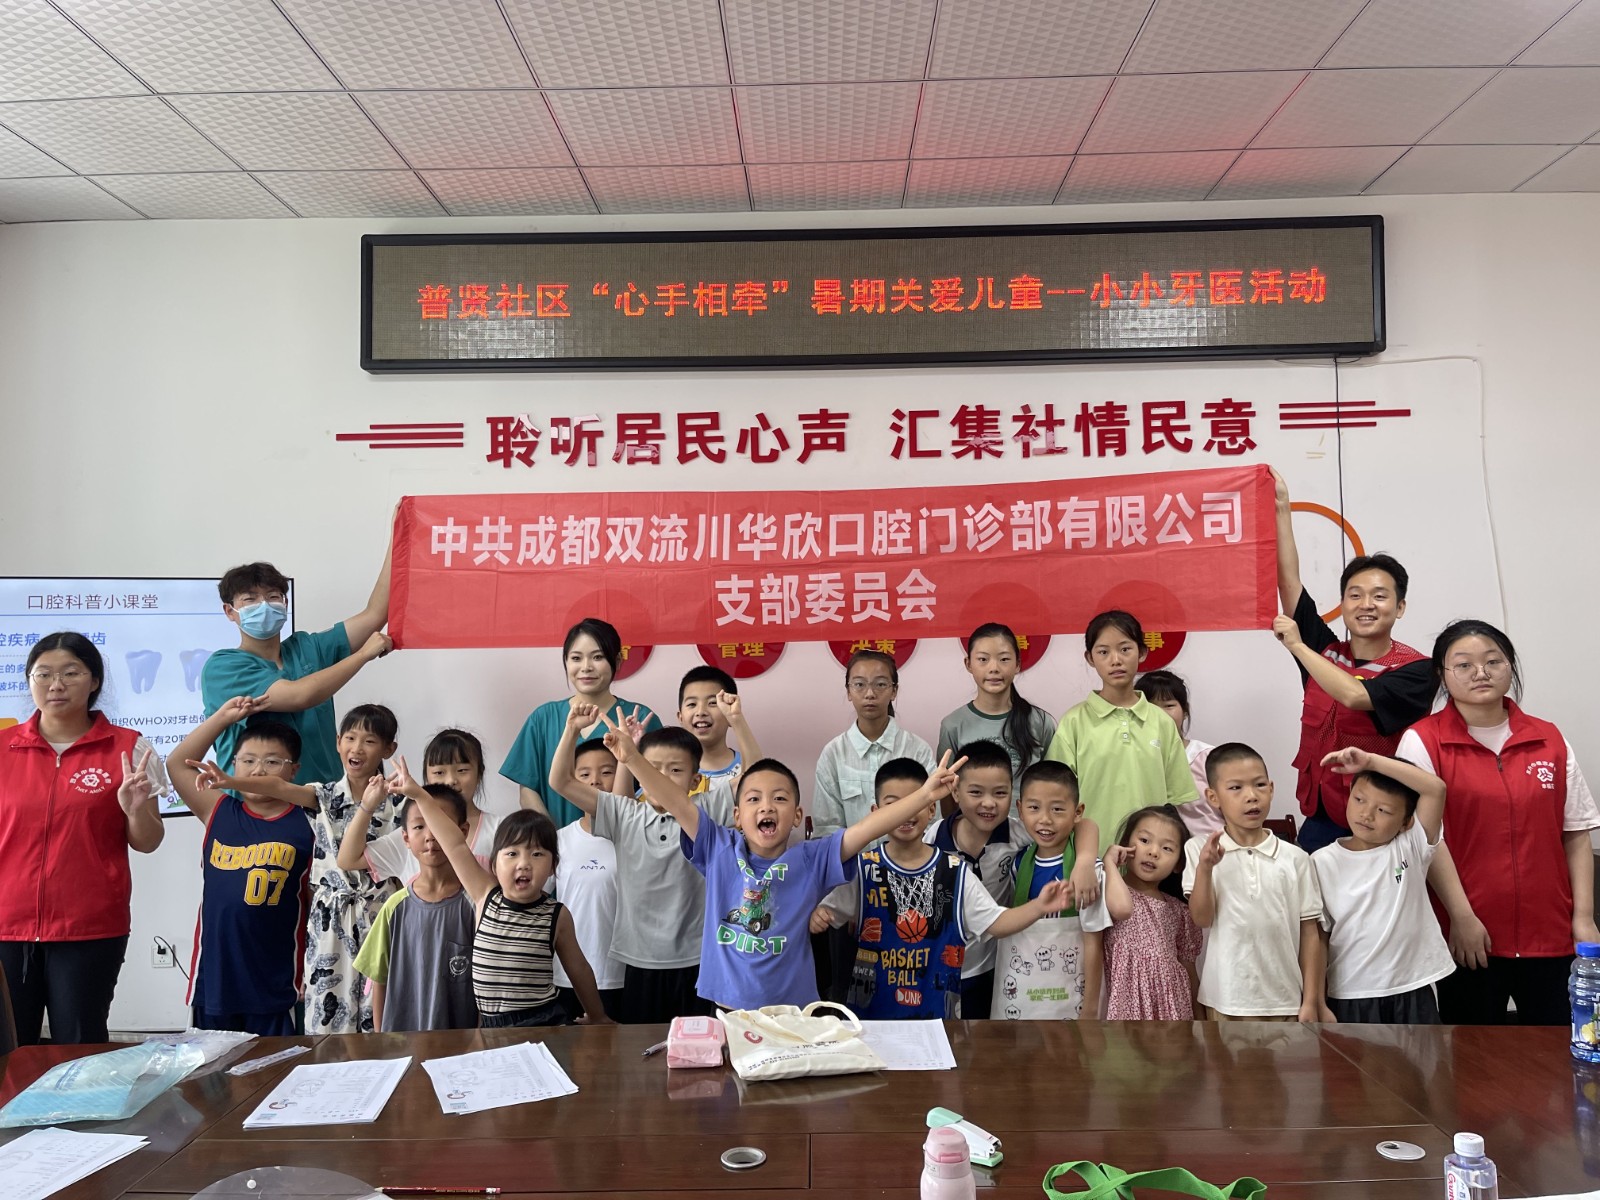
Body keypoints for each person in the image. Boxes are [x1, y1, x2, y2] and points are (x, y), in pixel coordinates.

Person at [608, 702, 972, 1011]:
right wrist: (632, 759)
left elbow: (868, 828)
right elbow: (675, 801)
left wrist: (925, 796)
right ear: (737, 816)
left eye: (779, 798)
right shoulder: (718, 847)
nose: (766, 806)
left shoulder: (812, 860)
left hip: (793, 1011)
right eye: (754, 799)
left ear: (797, 815)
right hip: (726, 1007)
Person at [1397, 619, 1600, 1025]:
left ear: (1510, 666)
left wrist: (1584, 917)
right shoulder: (1422, 741)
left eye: (1493, 661)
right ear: (1442, 674)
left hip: (1552, 932)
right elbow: (1428, 840)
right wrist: (1461, 917)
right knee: (1474, 1055)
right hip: (1469, 934)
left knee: (1559, 1048)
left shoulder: (1549, 739)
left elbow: (1575, 833)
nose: (1481, 673)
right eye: (1464, 665)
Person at [0, 633, 165, 1044]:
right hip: (6, 926)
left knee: (79, 1046)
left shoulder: (129, 749)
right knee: (7, 1049)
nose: (56, 684)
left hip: (89, 928)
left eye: (71, 673)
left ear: (94, 681)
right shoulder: (3, 748)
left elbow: (147, 841)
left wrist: (135, 809)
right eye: (44, 674)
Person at [816, 758, 1073, 1020]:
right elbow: (824, 913)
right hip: (871, 1019)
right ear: (877, 812)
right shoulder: (863, 869)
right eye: (895, 806)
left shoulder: (955, 872)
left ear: (931, 809)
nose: (906, 813)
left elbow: (996, 922)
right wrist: (819, 915)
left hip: (937, 1019)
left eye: (915, 803)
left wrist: (1039, 906)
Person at [201, 703, 402, 1034]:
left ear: (388, 749)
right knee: (327, 1014)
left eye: (369, 741)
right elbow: (279, 788)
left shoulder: (398, 800)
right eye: (350, 738)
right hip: (329, 918)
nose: (357, 748)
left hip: (381, 913)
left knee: (379, 1013)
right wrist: (229, 780)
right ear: (338, 743)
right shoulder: (322, 794)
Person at [1270, 469, 1434, 853]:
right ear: (1343, 604)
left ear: (1400, 607)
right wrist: (1281, 510)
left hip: (1383, 823)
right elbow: (1289, 583)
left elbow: (1356, 696)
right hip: (1321, 816)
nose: (1365, 605)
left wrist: (1299, 647)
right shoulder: (1326, 651)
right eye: (1355, 595)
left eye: (1379, 596)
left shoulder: (1418, 670)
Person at [547, 703, 734, 1024]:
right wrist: (572, 729)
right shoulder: (625, 813)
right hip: (638, 961)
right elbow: (560, 782)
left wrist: (737, 721)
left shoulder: (706, 811)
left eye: (675, 770)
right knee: (640, 1048)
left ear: (695, 780)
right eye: (653, 768)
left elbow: (755, 776)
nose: (662, 778)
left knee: (698, 1045)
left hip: (697, 959)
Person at [399, 758, 611, 1027]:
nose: (523, 863)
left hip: (543, 1020)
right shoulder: (485, 894)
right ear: (494, 864)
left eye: (537, 854)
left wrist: (597, 1015)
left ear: (552, 867)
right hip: (491, 1024)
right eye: (512, 854)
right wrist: (419, 795)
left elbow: (578, 968)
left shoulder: (556, 914)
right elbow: (454, 843)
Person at [169, 702, 313, 1035]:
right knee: (211, 1068)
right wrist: (223, 718)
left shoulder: (308, 822)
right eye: (247, 761)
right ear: (233, 765)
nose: (257, 771)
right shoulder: (219, 811)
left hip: (275, 984)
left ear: (293, 770)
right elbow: (177, 764)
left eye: (272, 762)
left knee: (278, 1065)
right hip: (214, 983)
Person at [926, 745, 1100, 1019]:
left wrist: (1086, 861)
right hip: (938, 965)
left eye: (1000, 793)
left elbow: (1083, 825)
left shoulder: (1019, 832)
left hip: (992, 965)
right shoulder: (934, 838)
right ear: (956, 792)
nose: (988, 803)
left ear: (1012, 795)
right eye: (976, 792)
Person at [201, 552, 394, 786]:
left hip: (323, 798)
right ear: (229, 611)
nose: (264, 605)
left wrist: (398, 538)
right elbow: (299, 695)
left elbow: (376, 614)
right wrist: (363, 655)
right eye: (250, 599)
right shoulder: (223, 667)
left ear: (285, 603)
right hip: (256, 802)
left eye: (273, 596)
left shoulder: (306, 647)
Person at [1184, 743, 1327, 1022]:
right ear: (1213, 797)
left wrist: (1311, 1000)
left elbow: (1310, 934)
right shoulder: (1200, 850)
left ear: (1271, 789)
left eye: (1260, 785)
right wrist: (1205, 868)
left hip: (1285, 1001)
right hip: (1225, 1000)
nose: (1251, 796)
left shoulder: (1296, 858)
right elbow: (1202, 918)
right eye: (1236, 788)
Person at [1311, 748, 1455, 1024]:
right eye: (1359, 799)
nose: (1366, 814)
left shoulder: (1410, 846)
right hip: (1352, 991)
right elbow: (1318, 937)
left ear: (1406, 823)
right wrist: (1316, 999)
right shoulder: (1321, 862)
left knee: (1427, 1054)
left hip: (1412, 987)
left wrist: (1370, 761)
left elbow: (1435, 789)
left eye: (1383, 810)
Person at [1045, 610, 1196, 843]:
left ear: (1142, 652)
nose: (1115, 660)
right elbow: (1057, 795)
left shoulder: (1162, 723)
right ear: (1090, 658)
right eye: (1103, 652)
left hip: (1147, 856)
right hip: (1090, 854)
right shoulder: (1074, 722)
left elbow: (1175, 799)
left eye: (1125, 649)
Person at [993, 756, 1123, 1020]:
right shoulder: (1017, 862)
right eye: (1034, 808)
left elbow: (1094, 941)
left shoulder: (1088, 872)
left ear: (1078, 812)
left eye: (1057, 809)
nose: (1045, 820)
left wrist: (1090, 1008)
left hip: (1072, 998)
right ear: (1020, 809)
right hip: (1023, 996)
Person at [500, 618, 661, 825]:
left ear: (617, 661)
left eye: (598, 657)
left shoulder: (640, 719)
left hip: (625, 840)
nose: (586, 667)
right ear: (566, 662)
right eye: (576, 658)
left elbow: (659, 789)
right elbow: (528, 789)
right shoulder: (543, 718)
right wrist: (552, 839)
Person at [353, 784, 478, 1033]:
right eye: (419, 826)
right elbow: (379, 979)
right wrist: (380, 1038)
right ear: (406, 839)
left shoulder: (475, 904)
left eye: (439, 823)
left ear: (463, 831)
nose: (430, 835)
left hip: (462, 1041)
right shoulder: (394, 907)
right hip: (402, 1041)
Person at [342, 728, 502, 884]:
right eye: (439, 772)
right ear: (426, 776)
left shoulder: (500, 830)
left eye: (462, 770)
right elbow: (348, 860)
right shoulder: (412, 834)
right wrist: (367, 806)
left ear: (479, 773)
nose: (451, 780)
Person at [812, 649, 936, 837]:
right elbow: (827, 830)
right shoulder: (833, 754)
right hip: (853, 856)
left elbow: (931, 823)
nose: (870, 693)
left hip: (909, 856)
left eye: (880, 684)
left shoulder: (917, 750)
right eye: (859, 684)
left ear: (894, 691)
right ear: (848, 691)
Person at [546, 738, 625, 1023]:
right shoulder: (559, 840)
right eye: (584, 774)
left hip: (621, 973)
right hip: (567, 974)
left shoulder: (634, 840)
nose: (595, 781)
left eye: (607, 772)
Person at [1102, 805, 1204, 1020]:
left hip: (1171, 1013)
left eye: (1167, 848)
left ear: (1178, 864)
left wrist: (1201, 1022)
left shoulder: (1180, 911)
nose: (1153, 852)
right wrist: (1109, 864)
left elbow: (1189, 970)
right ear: (1125, 844)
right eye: (1144, 840)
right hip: (1123, 1010)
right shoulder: (1109, 895)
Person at [936, 623, 1057, 800]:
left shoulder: (1040, 721)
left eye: (1004, 659)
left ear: (1017, 664)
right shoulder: (953, 725)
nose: (994, 668)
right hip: (972, 818)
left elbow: (1055, 782)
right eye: (983, 659)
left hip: (1027, 819)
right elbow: (946, 791)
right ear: (968, 664)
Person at [1137, 670, 1219, 838]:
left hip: (1213, 847)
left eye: (1168, 705)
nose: (1159, 714)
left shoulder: (1208, 758)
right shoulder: (1132, 760)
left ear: (1185, 710)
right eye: (1150, 706)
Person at [677, 666, 762, 787]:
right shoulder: (671, 768)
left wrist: (736, 718)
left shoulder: (747, 764)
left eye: (713, 703)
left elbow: (758, 778)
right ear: (680, 717)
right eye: (692, 704)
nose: (701, 712)